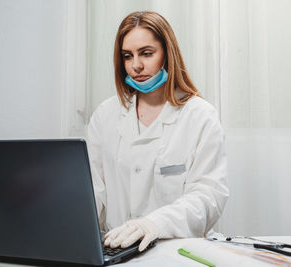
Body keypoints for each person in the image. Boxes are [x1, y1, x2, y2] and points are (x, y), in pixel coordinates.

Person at [87, 11, 228, 252]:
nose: (136, 65)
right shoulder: (105, 115)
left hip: (176, 248)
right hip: (116, 247)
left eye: (147, 53)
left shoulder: (200, 116)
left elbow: (208, 196)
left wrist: (154, 223)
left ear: (167, 54)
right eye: (127, 56)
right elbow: (92, 192)